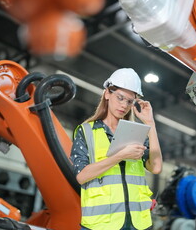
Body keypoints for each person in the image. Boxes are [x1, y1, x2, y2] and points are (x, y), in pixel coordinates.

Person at [70, 68, 163, 230]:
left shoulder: (135, 132)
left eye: (129, 101)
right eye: (120, 98)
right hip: (102, 224)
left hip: (138, 223)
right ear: (107, 94)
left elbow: (156, 167)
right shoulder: (86, 131)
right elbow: (81, 176)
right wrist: (119, 156)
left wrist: (150, 124)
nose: (124, 105)